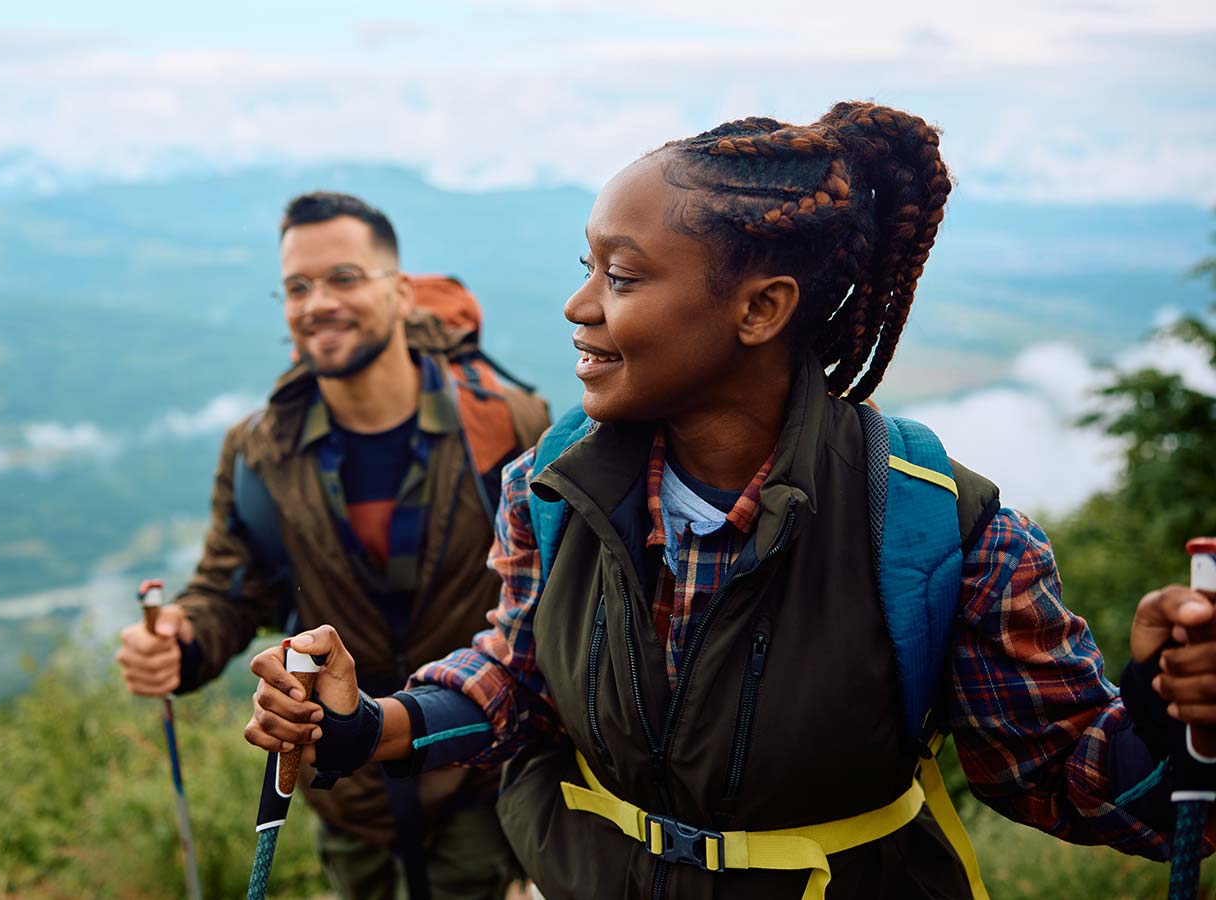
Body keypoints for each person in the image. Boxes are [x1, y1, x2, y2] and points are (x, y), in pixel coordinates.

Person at [243, 104, 1216, 899]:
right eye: (584, 267)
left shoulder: (939, 531)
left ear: (760, 309)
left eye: (620, 277)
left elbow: (1086, 786)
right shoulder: (551, 487)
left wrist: (1174, 716)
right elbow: (522, 677)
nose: (580, 307)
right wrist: (366, 724)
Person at [118, 191, 550, 899]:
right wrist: (180, 642)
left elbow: (554, 600)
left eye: (344, 278)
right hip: (343, 793)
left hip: (481, 783)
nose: (319, 302)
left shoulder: (507, 423)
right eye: (298, 286)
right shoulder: (262, 454)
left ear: (400, 291)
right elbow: (232, 589)